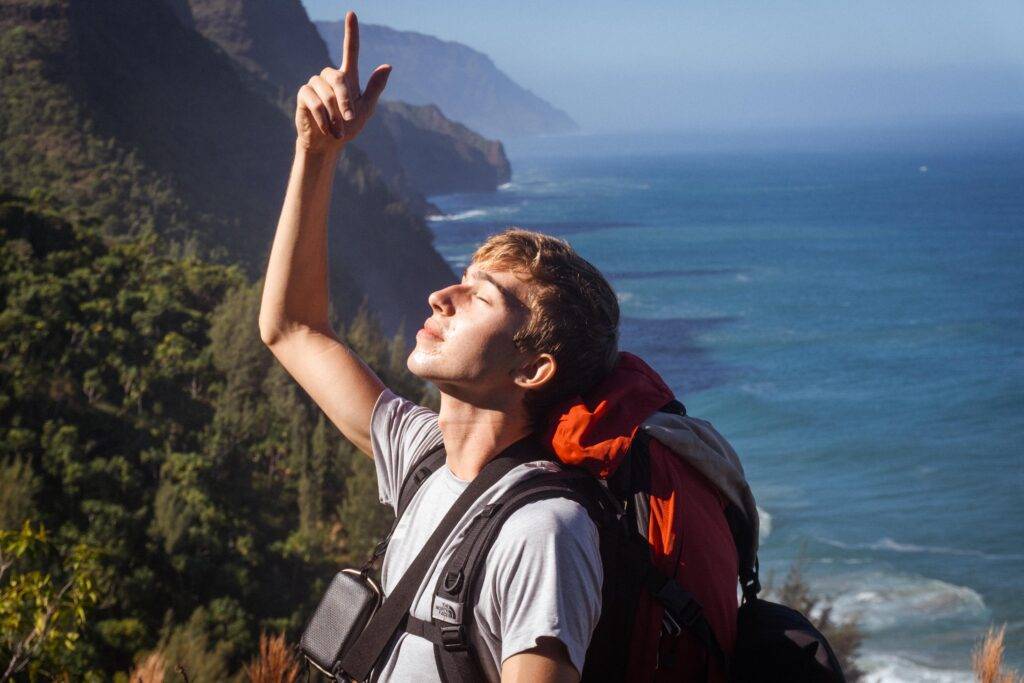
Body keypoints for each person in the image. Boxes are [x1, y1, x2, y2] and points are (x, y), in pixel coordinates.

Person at [258, 10, 620, 682]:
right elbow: (292, 329)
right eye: (460, 281)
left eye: (479, 298)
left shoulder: (545, 532)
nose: (439, 297)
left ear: (534, 365)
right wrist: (316, 151)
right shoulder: (423, 458)